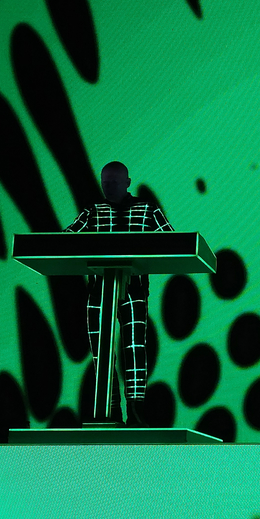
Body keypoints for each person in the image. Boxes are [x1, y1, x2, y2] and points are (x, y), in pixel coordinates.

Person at [66, 161, 171, 426]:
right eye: (105, 182)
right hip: (99, 291)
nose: (109, 187)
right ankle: (110, 409)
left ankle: (136, 411)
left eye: (114, 182)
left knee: (135, 348)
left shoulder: (147, 209)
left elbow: (171, 242)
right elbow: (65, 240)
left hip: (134, 289)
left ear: (127, 182)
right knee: (101, 352)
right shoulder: (92, 211)